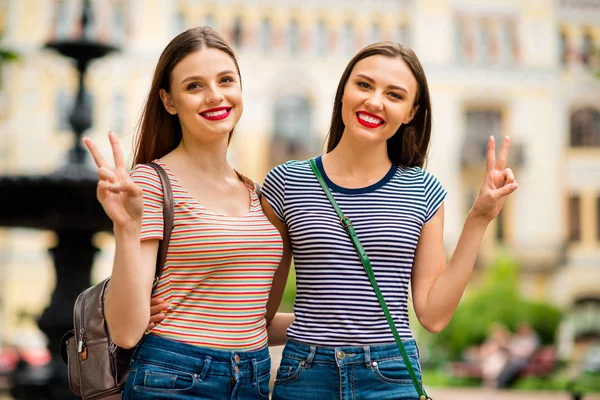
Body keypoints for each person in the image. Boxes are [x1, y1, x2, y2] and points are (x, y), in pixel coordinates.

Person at [258, 42, 519, 399]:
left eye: (394, 95)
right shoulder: (286, 183)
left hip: (390, 375)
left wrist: (479, 217)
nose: (375, 101)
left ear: (411, 112)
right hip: (306, 375)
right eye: (364, 85)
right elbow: (260, 312)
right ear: (343, 92)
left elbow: (433, 316)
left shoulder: (424, 189)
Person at [82, 26, 292, 399]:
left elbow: (252, 319)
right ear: (169, 101)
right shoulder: (149, 183)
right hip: (177, 378)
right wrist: (126, 228)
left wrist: (345, 325)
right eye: (194, 86)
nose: (215, 96)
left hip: (254, 379)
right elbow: (127, 331)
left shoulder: (255, 194)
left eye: (225, 80)